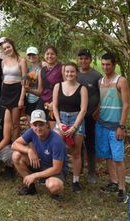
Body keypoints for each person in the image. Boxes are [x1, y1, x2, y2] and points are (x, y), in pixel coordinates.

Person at [96, 53, 129, 203]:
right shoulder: (100, 81)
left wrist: (121, 126)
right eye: (103, 64)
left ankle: (122, 189)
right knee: (107, 156)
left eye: (108, 64)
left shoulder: (121, 81)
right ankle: (114, 182)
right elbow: (101, 102)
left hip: (116, 126)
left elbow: (126, 105)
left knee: (118, 158)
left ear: (114, 64)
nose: (105, 67)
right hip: (102, 124)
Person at [12, 109, 68, 199]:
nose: (38, 128)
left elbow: (57, 168)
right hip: (40, 163)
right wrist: (29, 151)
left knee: (54, 186)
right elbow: (14, 144)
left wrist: (35, 175)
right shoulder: (32, 131)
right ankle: (31, 187)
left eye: (41, 124)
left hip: (54, 170)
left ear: (47, 125)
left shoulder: (56, 141)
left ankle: (55, 192)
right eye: (35, 125)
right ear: (31, 125)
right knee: (16, 156)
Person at [53, 62, 88, 192]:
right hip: (61, 119)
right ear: (64, 73)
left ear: (76, 73)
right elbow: (55, 107)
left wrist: (74, 127)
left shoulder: (82, 88)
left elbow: (83, 109)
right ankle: (58, 174)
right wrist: (59, 123)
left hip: (76, 120)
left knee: (75, 152)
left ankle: (76, 180)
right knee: (58, 148)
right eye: (67, 71)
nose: (69, 74)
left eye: (72, 72)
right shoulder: (58, 86)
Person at [77, 49, 102, 184]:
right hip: (77, 116)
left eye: (86, 58)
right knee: (78, 143)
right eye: (81, 59)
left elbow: (102, 95)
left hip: (91, 116)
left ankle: (92, 172)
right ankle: (79, 169)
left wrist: (97, 111)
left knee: (90, 144)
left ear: (91, 60)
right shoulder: (76, 74)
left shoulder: (96, 75)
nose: (83, 61)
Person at [0, 38, 27, 140]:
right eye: (5, 48)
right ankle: (6, 142)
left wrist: (21, 98)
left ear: (13, 46)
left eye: (8, 47)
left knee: (15, 123)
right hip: (5, 91)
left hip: (17, 91)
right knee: (6, 121)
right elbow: (3, 78)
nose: (7, 49)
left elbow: (25, 81)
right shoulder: (3, 62)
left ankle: (14, 145)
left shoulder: (21, 60)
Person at [36, 45, 64, 124]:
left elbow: (66, 88)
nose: (49, 56)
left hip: (57, 100)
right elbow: (40, 91)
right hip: (43, 100)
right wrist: (28, 90)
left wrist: (54, 103)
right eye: (47, 54)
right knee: (37, 122)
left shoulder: (62, 68)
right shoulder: (42, 71)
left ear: (56, 56)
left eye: (52, 54)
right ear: (44, 56)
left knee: (52, 126)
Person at [24, 46, 42, 121]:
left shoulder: (41, 68)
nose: (31, 57)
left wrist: (29, 90)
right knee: (29, 122)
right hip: (29, 98)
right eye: (29, 55)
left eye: (33, 54)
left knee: (38, 121)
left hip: (38, 99)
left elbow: (41, 90)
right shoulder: (27, 68)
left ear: (37, 55)